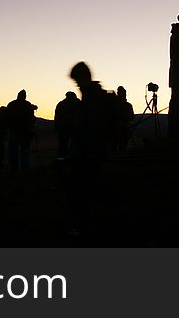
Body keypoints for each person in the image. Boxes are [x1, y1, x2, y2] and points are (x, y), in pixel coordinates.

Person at [67, 62, 111, 238]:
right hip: (89, 154)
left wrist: (85, 153)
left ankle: (86, 231)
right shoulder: (92, 96)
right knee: (87, 193)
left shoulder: (93, 98)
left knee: (83, 194)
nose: (77, 84)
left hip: (89, 155)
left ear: (84, 78)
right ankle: (88, 228)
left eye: (77, 80)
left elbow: (92, 128)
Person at [5, 90, 37, 172]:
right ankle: (24, 170)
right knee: (24, 152)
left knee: (13, 152)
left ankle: (14, 169)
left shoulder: (11, 104)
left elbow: (7, 118)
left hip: (14, 131)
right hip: (24, 132)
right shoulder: (28, 105)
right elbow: (31, 119)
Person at [54, 91, 80, 158]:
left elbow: (57, 116)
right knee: (73, 143)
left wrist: (57, 126)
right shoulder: (77, 103)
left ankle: (62, 157)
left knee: (63, 144)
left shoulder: (61, 104)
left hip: (65, 127)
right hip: (73, 127)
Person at [113, 86, 134, 151]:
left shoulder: (114, 105)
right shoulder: (127, 105)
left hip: (122, 130)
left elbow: (131, 117)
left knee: (119, 147)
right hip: (117, 130)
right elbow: (131, 117)